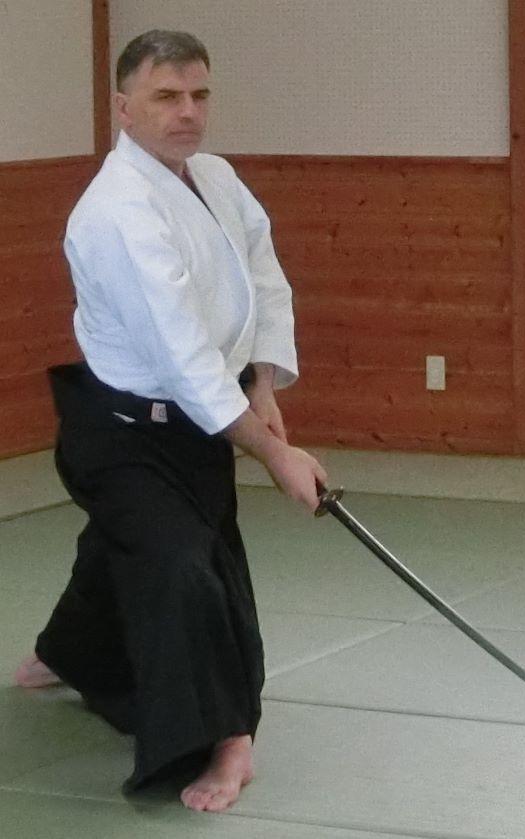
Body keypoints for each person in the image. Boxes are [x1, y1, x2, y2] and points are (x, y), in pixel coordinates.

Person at [14, 29, 327, 813]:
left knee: (123, 543)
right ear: (124, 108)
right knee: (186, 567)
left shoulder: (215, 178)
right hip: (119, 430)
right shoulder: (117, 210)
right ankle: (227, 737)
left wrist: (262, 383)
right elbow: (180, 350)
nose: (187, 111)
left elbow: (264, 279)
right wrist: (274, 455)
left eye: (199, 95)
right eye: (166, 96)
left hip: (196, 422)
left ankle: (68, 651)